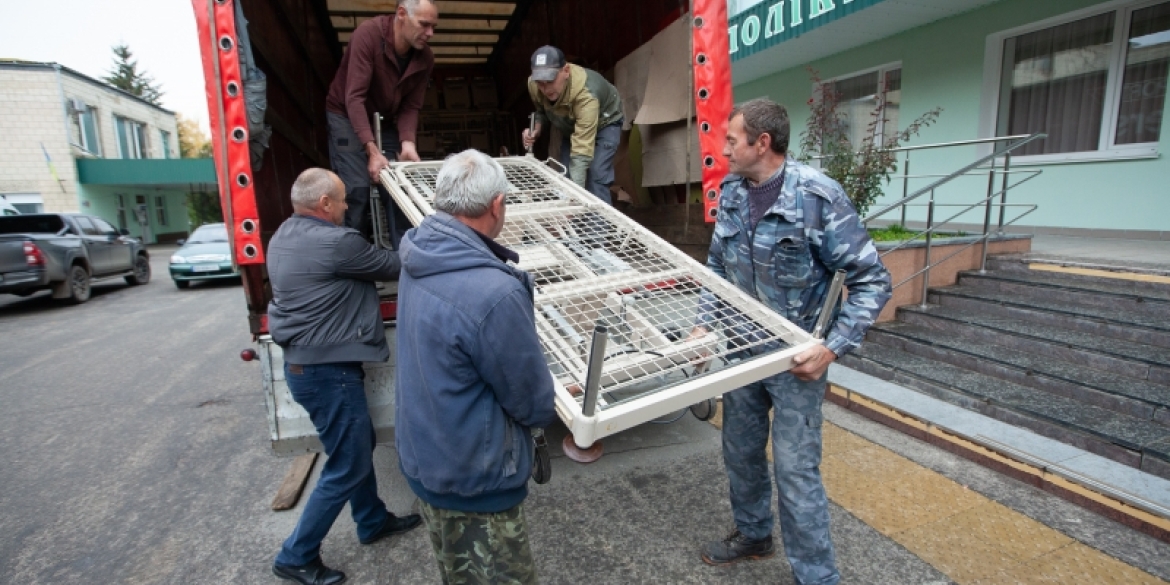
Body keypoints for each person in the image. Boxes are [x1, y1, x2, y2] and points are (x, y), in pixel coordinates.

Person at [694, 99, 891, 585]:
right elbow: (717, 267)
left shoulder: (819, 197)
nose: (724, 149)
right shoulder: (734, 193)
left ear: (763, 143)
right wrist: (704, 322)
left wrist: (832, 347)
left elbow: (873, 281)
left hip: (797, 361)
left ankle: (817, 576)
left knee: (796, 473)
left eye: (732, 140)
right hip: (743, 351)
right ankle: (754, 534)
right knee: (739, 452)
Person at [395, 150, 559, 584]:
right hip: (476, 480)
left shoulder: (418, 255)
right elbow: (533, 403)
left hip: (429, 462)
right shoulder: (493, 294)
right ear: (497, 205)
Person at [267, 168, 422, 585]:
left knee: (353, 448)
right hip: (327, 373)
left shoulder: (283, 235)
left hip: (307, 370)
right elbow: (396, 263)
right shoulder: (336, 243)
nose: (347, 208)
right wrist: (427, 230)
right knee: (349, 462)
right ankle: (296, 555)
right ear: (324, 205)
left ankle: (371, 520)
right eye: (343, 201)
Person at [324, 0, 438, 241]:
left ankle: (405, 260)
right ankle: (350, 256)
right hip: (345, 114)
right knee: (356, 188)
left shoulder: (425, 58)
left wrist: (408, 143)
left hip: (384, 119)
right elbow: (354, 97)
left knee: (400, 185)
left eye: (433, 27)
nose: (430, 33)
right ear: (401, 14)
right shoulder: (368, 35)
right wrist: (372, 150)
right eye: (424, 25)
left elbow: (411, 105)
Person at [521, 45, 623, 205]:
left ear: (566, 71)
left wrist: (575, 199)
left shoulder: (587, 95)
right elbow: (541, 111)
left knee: (596, 176)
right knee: (566, 174)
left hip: (605, 123)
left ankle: (600, 228)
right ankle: (575, 227)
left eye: (550, 80)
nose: (546, 88)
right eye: (540, 83)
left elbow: (581, 153)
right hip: (571, 125)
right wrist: (536, 130)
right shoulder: (534, 86)